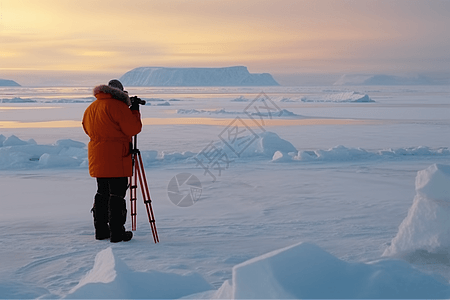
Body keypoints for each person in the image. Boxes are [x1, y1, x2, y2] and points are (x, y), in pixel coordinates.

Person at [82, 79, 142, 243]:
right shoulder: (119, 107)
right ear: (121, 93)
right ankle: (117, 232)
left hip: (98, 157)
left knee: (102, 193)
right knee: (117, 194)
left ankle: (101, 230)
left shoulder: (91, 108)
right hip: (117, 157)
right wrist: (134, 111)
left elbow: (86, 129)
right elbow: (133, 129)